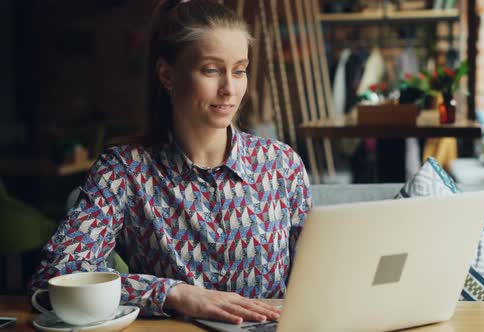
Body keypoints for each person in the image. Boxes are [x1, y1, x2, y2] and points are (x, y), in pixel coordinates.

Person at [30, 0, 311, 325]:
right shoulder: (123, 171)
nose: (229, 89)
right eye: (211, 70)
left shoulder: (281, 165)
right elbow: (55, 275)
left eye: (239, 70)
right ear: (167, 74)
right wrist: (174, 293)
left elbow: (320, 278)